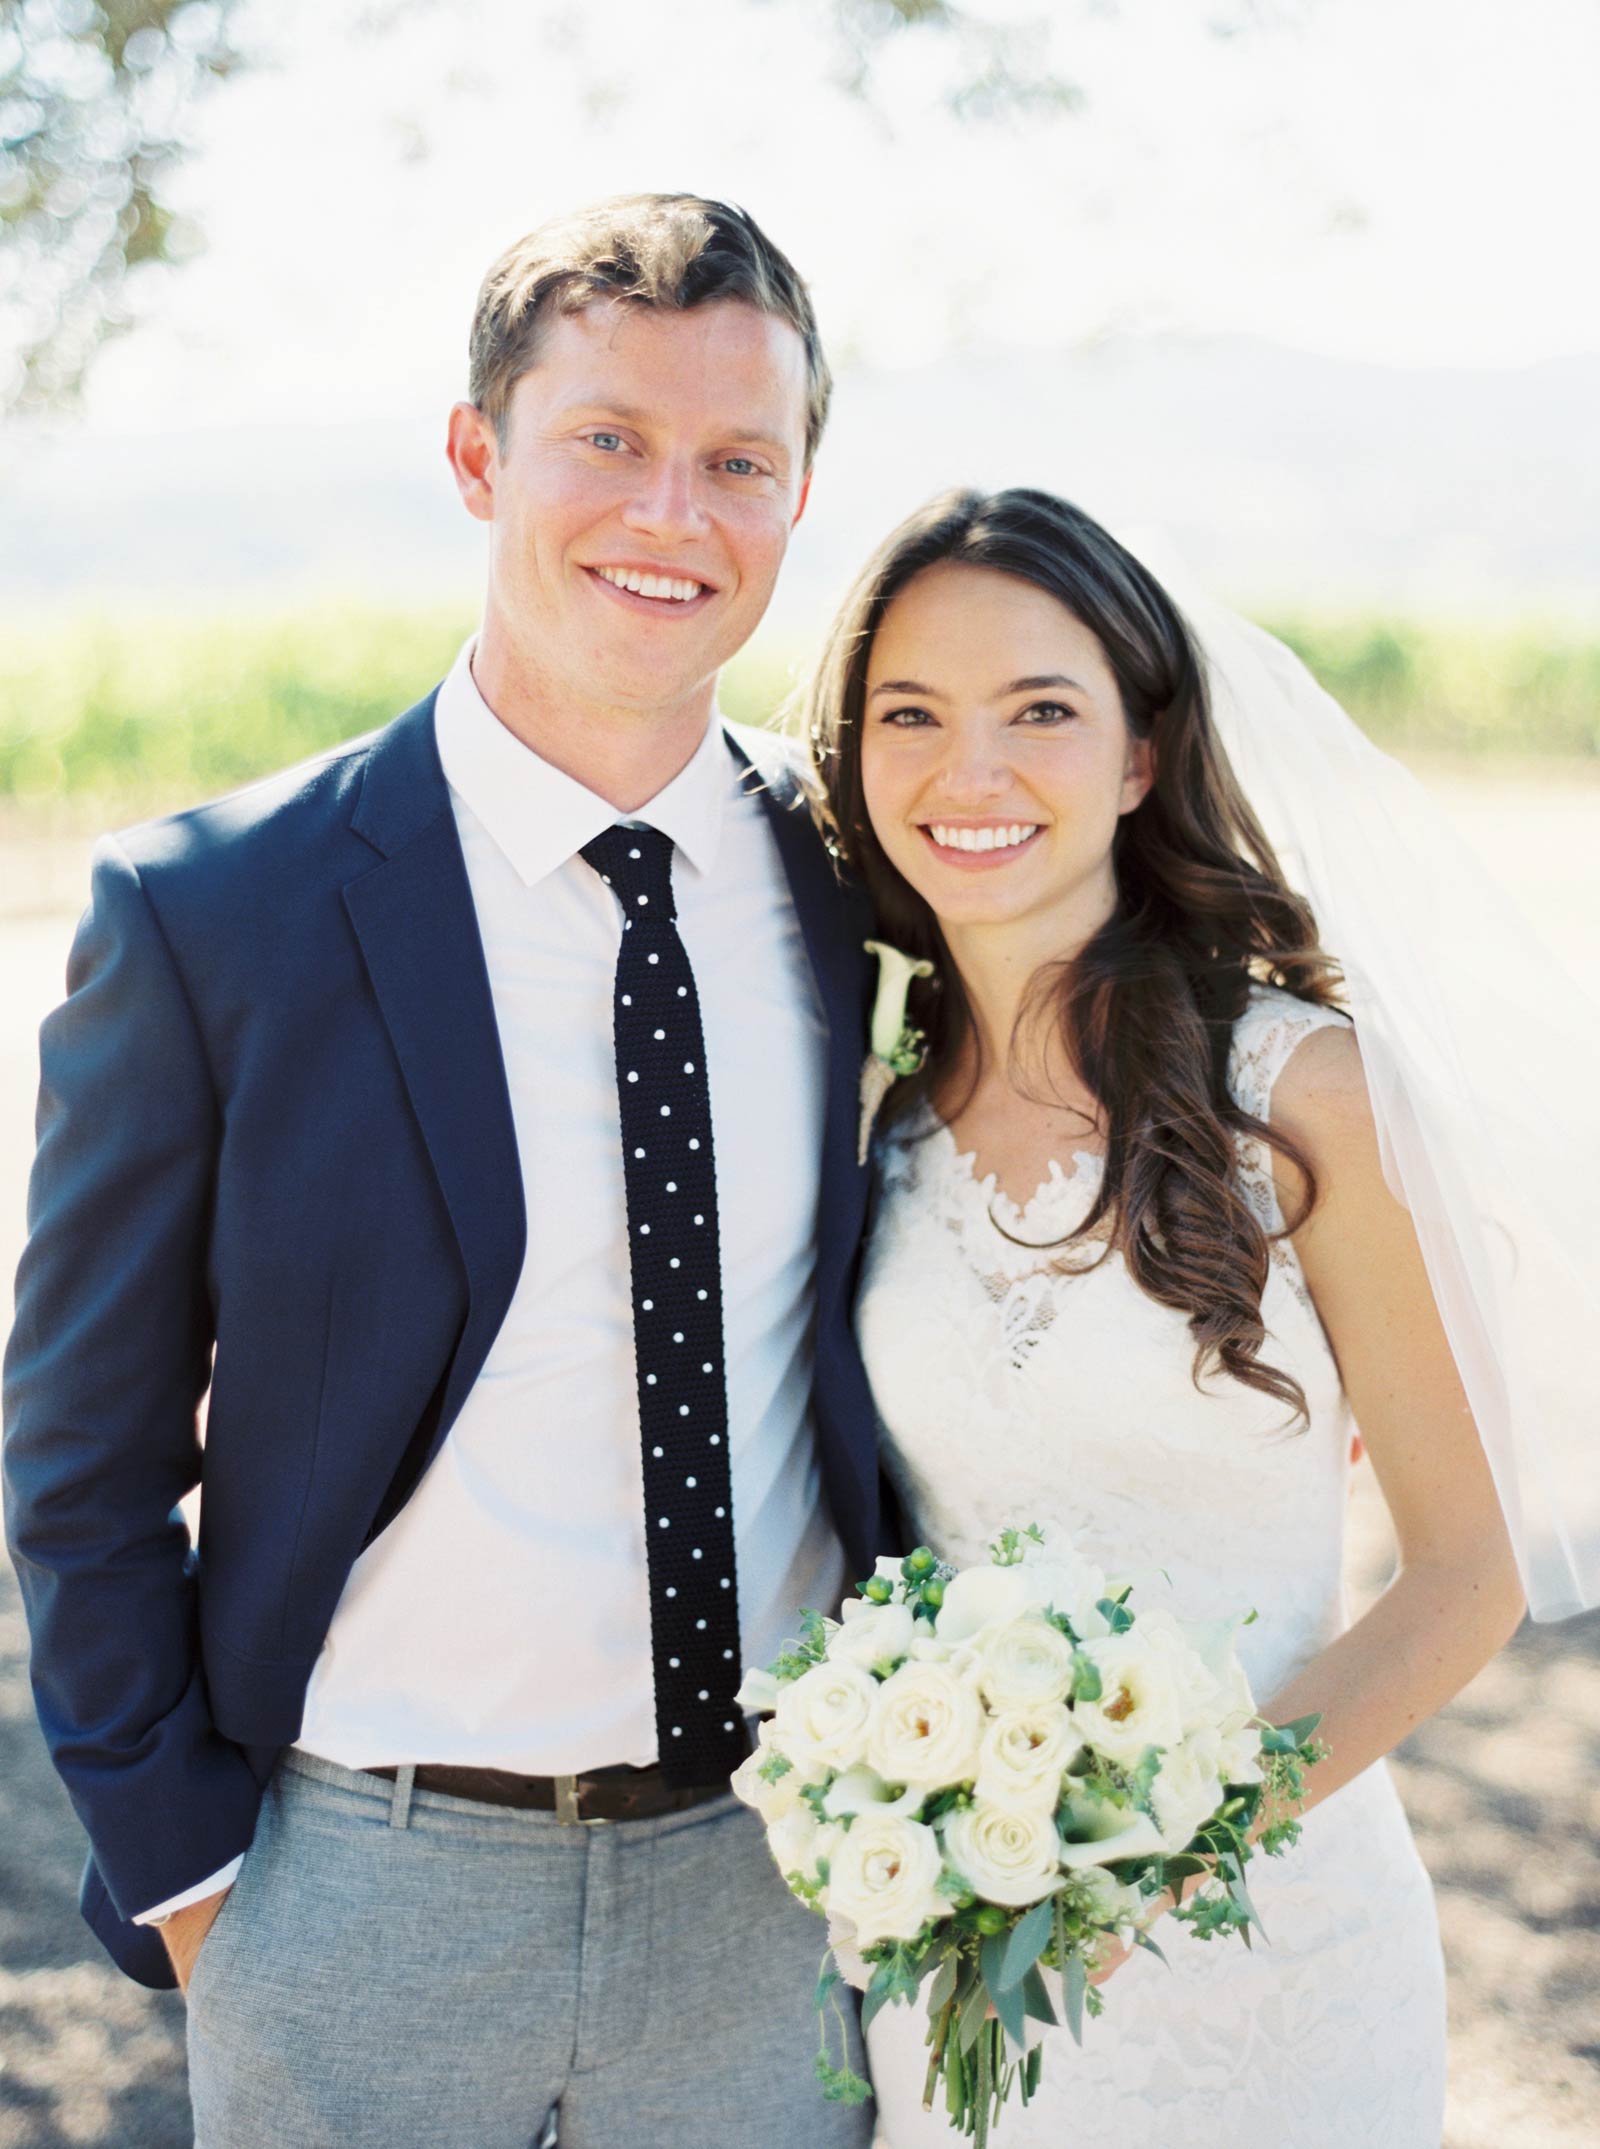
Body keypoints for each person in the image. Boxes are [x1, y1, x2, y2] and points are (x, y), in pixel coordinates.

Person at [2, 194, 884, 2149]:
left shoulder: (861, 890)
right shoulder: (210, 912)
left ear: (801, 490)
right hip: (355, 1890)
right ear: (477, 453)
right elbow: (78, 1451)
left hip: (771, 1888)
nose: (672, 513)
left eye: (738, 460)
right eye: (608, 441)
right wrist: (199, 1886)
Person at [808, 486, 1534, 2144]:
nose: (966, 770)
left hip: (1279, 1970)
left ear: (1142, 755)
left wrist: (1163, 1861)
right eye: (907, 714)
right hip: (970, 1977)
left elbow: (1469, 1574)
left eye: (1040, 711)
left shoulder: (1302, 1088)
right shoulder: (868, 1121)